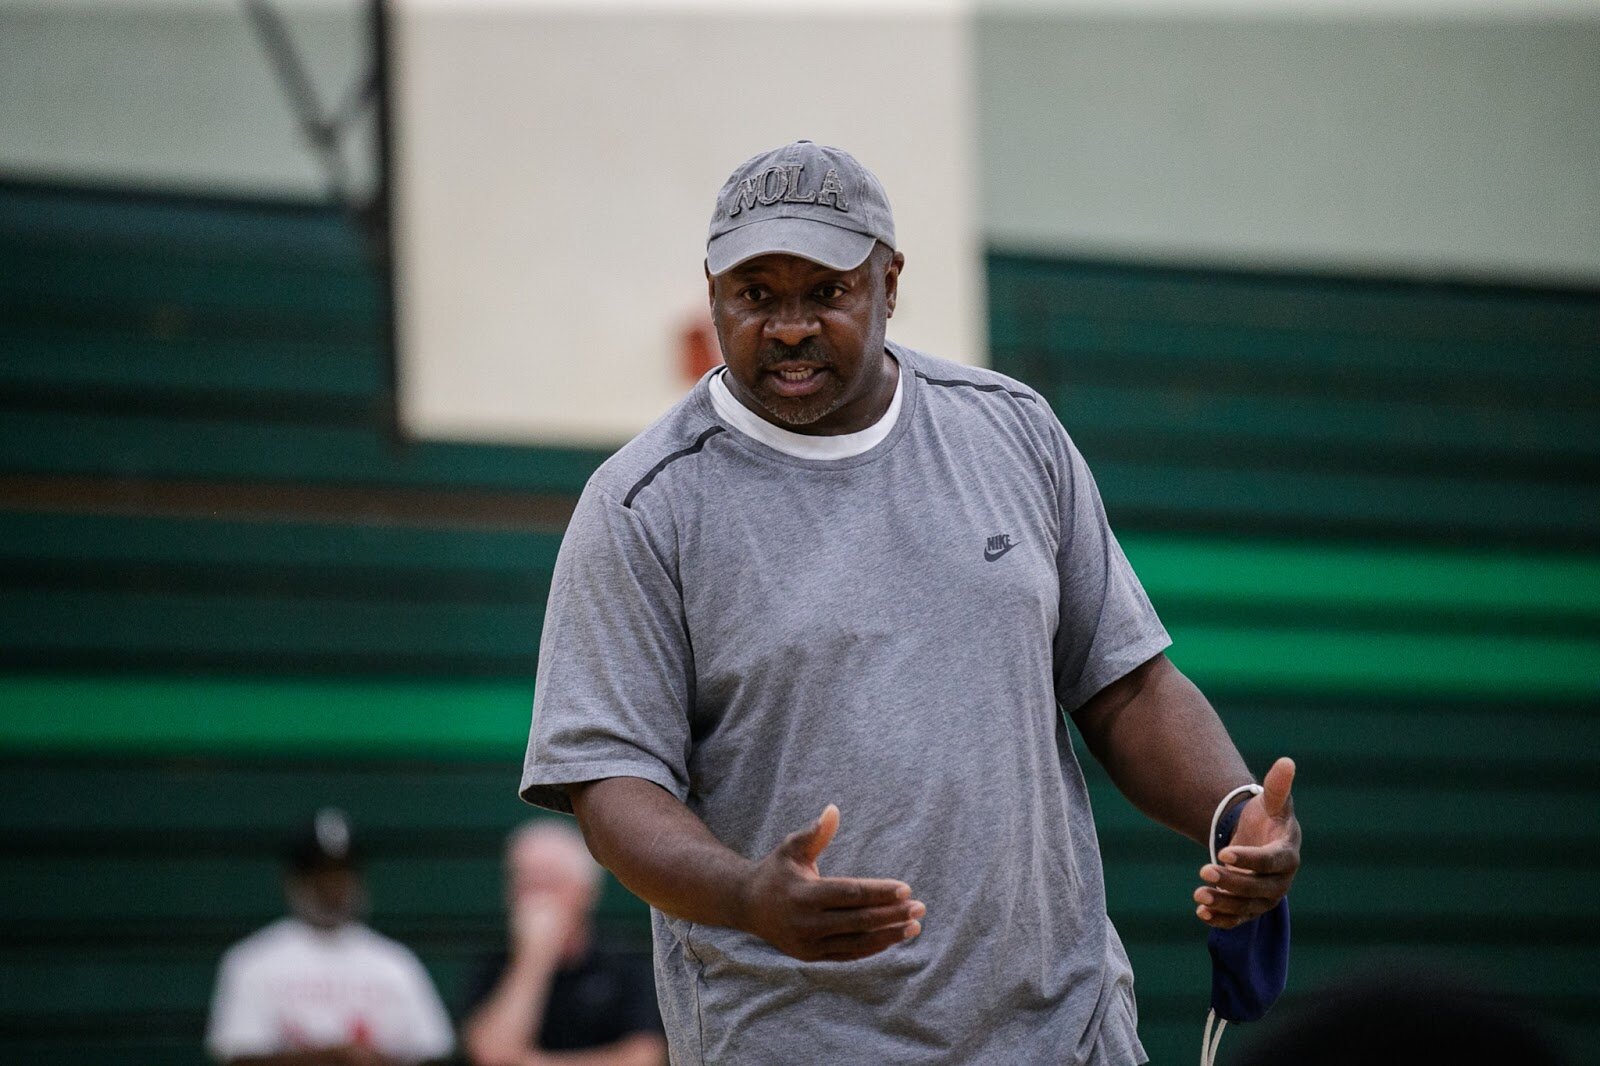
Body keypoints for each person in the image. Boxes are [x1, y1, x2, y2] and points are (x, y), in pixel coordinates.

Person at [519, 139, 1302, 1064]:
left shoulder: (1011, 432)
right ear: (713, 290)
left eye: (826, 291)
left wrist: (1234, 809)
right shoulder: (643, 506)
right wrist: (746, 897)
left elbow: (1124, 686)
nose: (789, 326)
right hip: (798, 1042)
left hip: (1063, 1032)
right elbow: (613, 786)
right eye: (756, 294)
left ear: (890, 283)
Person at [205, 809, 455, 1066]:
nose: (332, 885)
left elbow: (432, 1051)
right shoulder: (252, 961)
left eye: (342, 871)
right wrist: (334, 1056)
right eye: (321, 872)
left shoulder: (395, 962)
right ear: (296, 878)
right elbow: (238, 1056)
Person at [461, 821, 666, 1066]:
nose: (536, 898)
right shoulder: (494, 965)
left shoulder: (624, 964)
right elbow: (492, 1054)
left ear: (585, 892)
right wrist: (533, 960)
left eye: (548, 883)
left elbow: (645, 1056)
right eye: (525, 883)